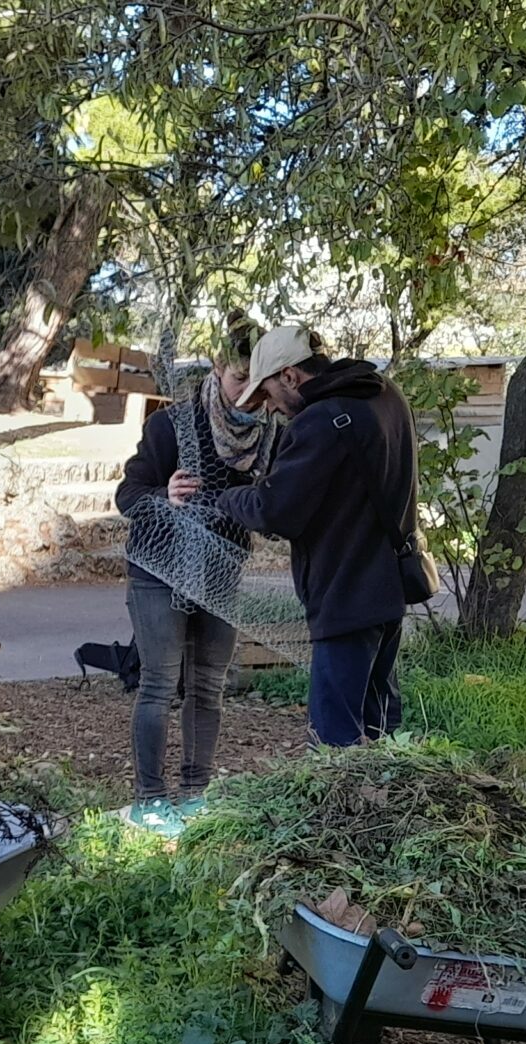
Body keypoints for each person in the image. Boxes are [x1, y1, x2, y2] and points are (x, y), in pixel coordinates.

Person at [187, 325, 421, 746]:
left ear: (291, 377)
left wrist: (223, 496)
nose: (273, 410)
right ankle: (389, 807)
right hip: (390, 589)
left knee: (333, 742)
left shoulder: (320, 421)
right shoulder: (387, 395)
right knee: (383, 730)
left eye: (270, 395)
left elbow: (275, 513)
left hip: (344, 595)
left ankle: (345, 813)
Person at [112, 324, 270, 831]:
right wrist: (164, 495)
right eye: (239, 379)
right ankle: (149, 799)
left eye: (259, 383)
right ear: (216, 369)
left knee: (208, 686)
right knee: (159, 684)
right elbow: (127, 496)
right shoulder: (170, 426)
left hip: (221, 572)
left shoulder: (270, 436)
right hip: (160, 571)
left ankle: (196, 794)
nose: (249, 394)